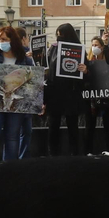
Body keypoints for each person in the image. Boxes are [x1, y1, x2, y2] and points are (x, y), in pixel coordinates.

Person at [0, 24, 35, 163]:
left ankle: (9, 170)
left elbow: (32, 83)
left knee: (12, 136)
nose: (1, 42)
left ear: (12, 40)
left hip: (16, 104)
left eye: (4, 39)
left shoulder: (25, 60)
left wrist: (35, 102)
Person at [44, 22, 85, 157]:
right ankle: (53, 154)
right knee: (53, 125)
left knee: (72, 125)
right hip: (55, 92)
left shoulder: (79, 50)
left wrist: (85, 70)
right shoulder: (52, 49)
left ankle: (75, 154)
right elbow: (46, 66)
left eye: (61, 35)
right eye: (57, 35)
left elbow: (87, 71)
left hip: (71, 93)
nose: (58, 38)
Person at [84, 36, 109, 155]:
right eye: (93, 45)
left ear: (102, 47)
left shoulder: (108, 61)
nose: (94, 47)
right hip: (91, 99)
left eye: (97, 45)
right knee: (90, 126)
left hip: (106, 98)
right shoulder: (87, 62)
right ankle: (88, 151)